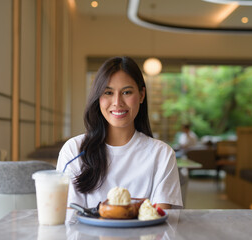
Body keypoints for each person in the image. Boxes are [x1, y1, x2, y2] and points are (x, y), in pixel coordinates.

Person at [56, 56, 182, 209]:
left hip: (144, 234)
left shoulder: (161, 154)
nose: (117, 102)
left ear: (141, 95)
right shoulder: (74, 150)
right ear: (98, 97)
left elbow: (162, 221)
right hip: (86, 234)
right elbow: (69, 218)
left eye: (127, 92)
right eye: (108, 93)